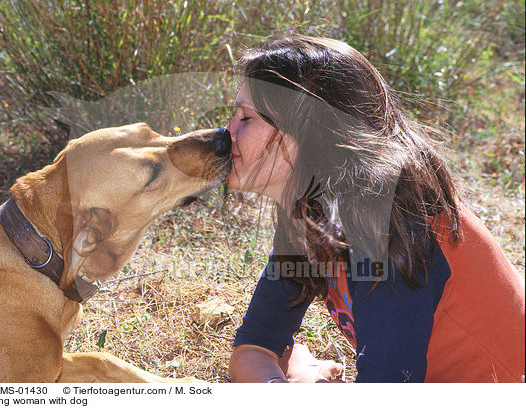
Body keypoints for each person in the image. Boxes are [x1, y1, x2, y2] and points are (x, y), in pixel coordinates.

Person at [224, 35, 525, 383]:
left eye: (246, 118)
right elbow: (254, 346)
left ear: (308, 130)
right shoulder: (308, 209)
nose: (227, 132)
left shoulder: (386, 221)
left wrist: (298, 383)